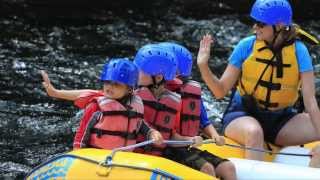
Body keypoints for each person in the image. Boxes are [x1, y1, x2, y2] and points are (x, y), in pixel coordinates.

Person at [197, 0, 320, 161]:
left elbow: (310, 102)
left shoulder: (299, 51)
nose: (255, 28)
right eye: (255, 22)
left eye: (261, 24)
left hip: (281, 120)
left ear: (280, 25)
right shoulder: (246, 46)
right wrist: (203, 65)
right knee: (254, 133)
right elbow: (220, 92)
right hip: (241, 114)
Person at [41, 58, 163, 150]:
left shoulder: (136, 104)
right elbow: (82, 133)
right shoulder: (96, 106)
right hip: (97, 155)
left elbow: (139, 124)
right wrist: (78, 152)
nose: (110, 87)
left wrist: (151, 133)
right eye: (107, 82)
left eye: (116, 84)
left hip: (123, 157)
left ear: (129, 89)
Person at [158, 42, 236, 179]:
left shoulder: (190, 93)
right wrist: (188, 139)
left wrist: (215, 135)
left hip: (186, 145)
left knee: (228, 168)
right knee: (206, 169)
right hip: (167, 148)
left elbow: (204, 122)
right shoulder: (157, 93)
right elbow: (165, 133)